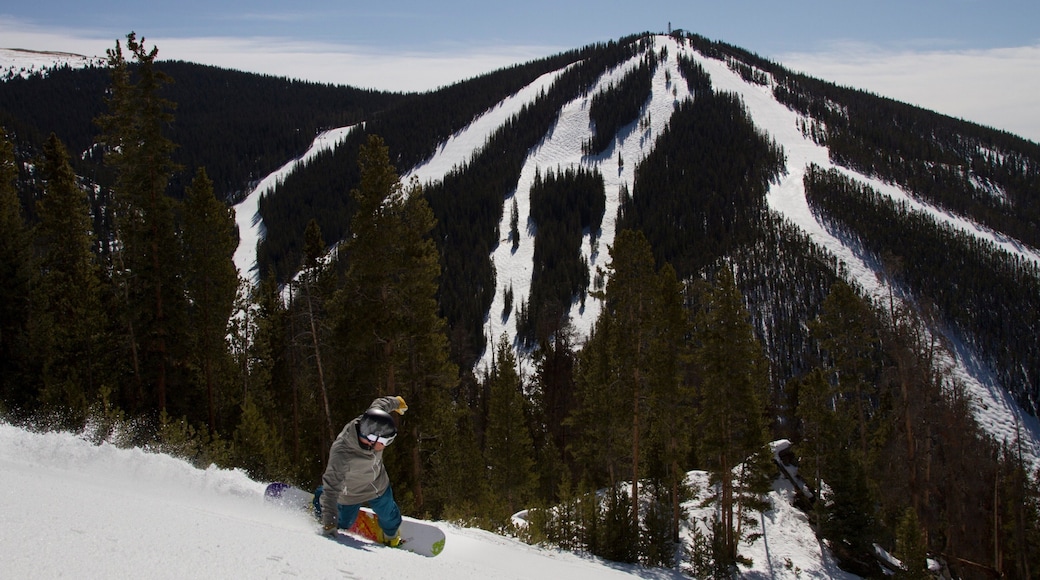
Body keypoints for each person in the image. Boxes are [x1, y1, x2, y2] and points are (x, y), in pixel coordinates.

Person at [316, 395, 408, 546]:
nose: (386, 445)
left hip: (377, 484)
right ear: (372, 439)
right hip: (351, 492)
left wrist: (397, 402)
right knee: (343, 523)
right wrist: (329, 525)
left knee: (391, 516)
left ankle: (390, 537)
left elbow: (381, 403)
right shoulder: (342, 453)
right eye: (385, 441)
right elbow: (332, 489)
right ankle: (320, 500)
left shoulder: (371, 420)